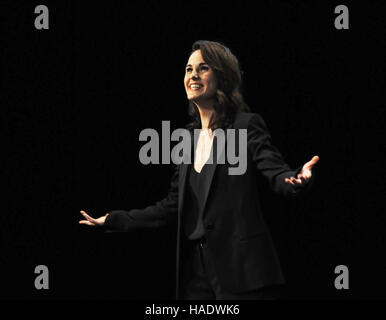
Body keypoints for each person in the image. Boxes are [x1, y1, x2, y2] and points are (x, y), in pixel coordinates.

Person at [79, 40, 319, 300]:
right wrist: (115, 219)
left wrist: (294, 178)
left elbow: (273, 168)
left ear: (222, 76)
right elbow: (172, 205)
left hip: (243, 270)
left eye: (203, 68)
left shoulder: (245, 126)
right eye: (188, 69)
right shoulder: (187, 140)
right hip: (197, 275)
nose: (192, 75)